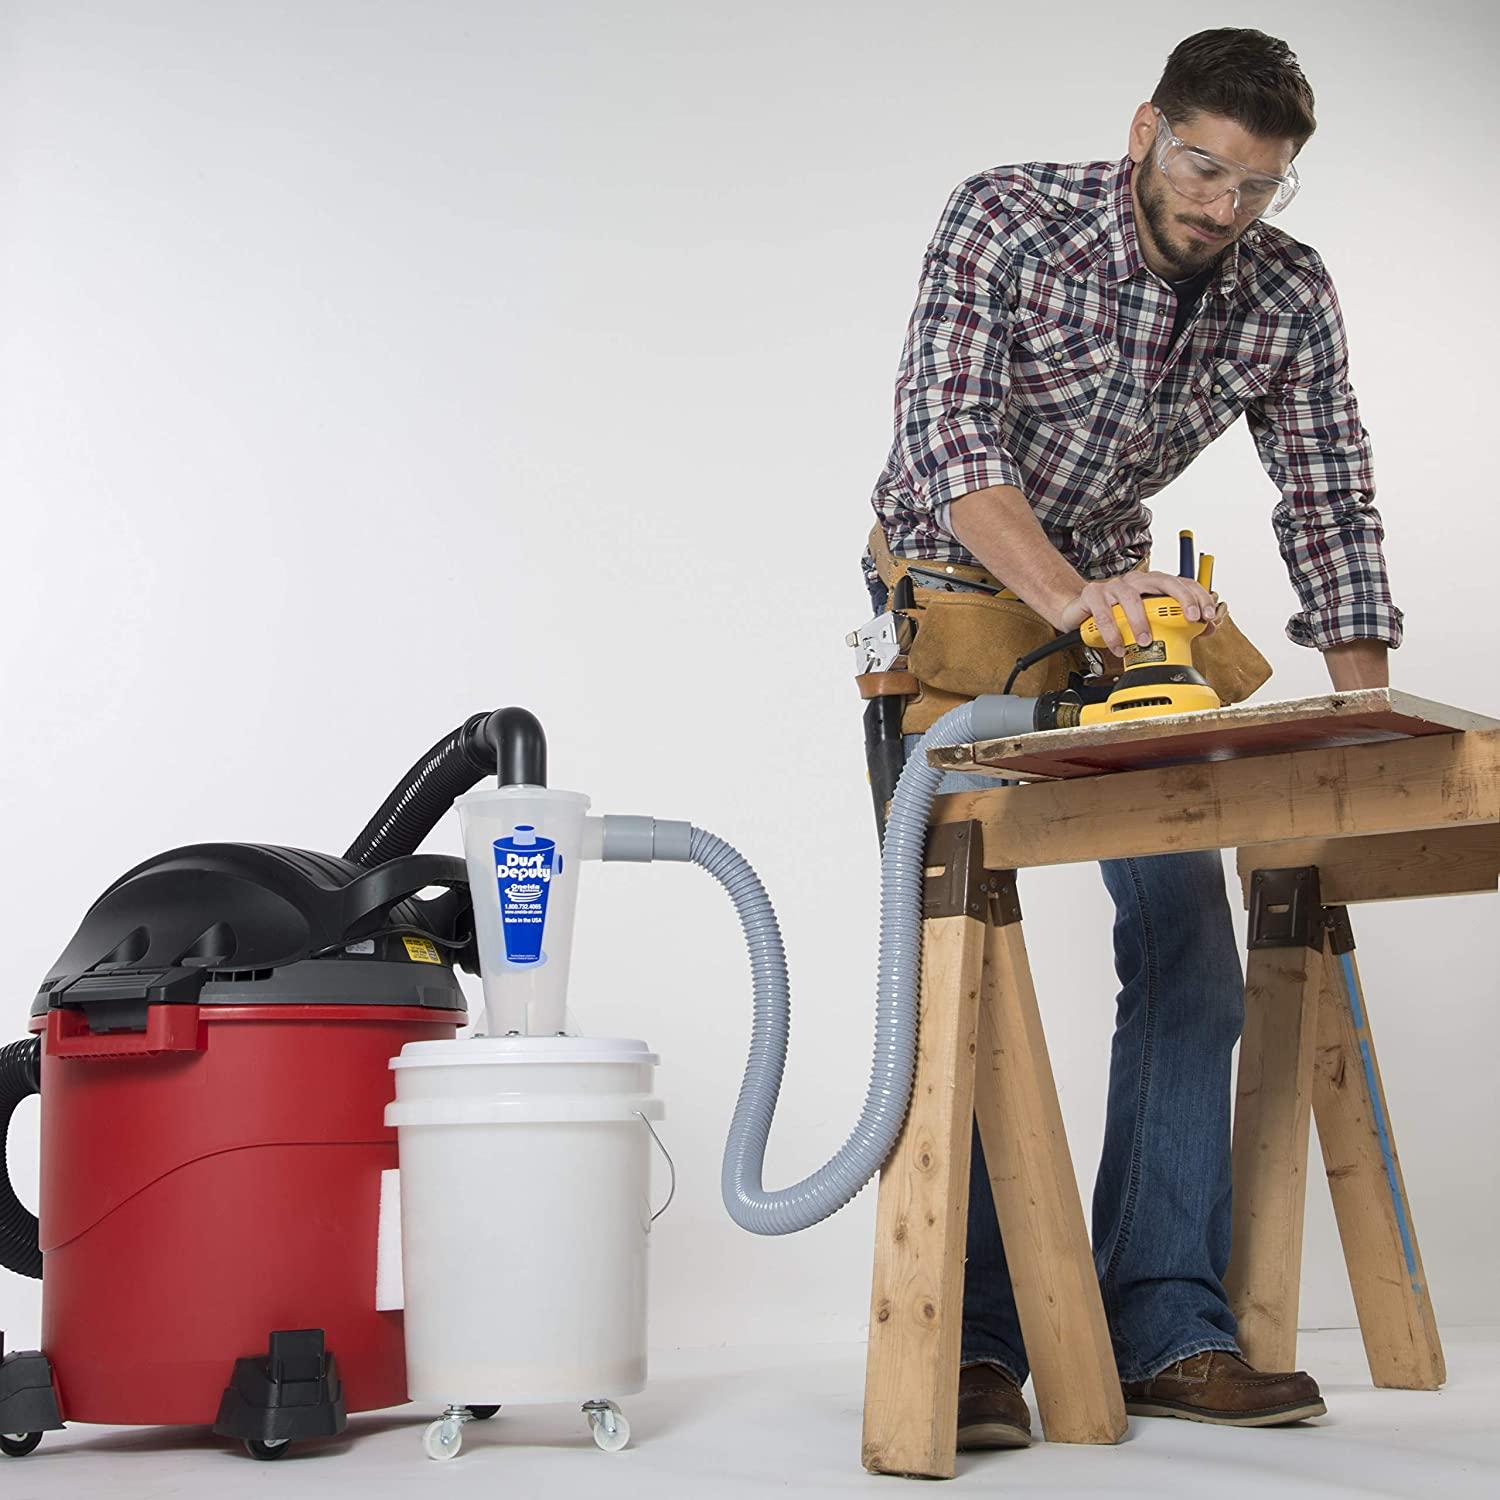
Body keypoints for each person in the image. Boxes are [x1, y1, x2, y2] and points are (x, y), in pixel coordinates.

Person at [863, 27, 1400, 1448]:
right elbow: (951, 448)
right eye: (1202, 164)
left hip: (1117, 628)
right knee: (962, 976)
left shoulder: (1283, 291)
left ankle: (1165, 1320)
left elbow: (1330, 502)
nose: (1222, 205)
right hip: (956, 619)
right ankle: (979, 1344)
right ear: (1145, 128)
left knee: (1188, 954)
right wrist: (1073, 599)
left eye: (1257, 184)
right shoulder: (1008, 218)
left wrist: (1363, 715)